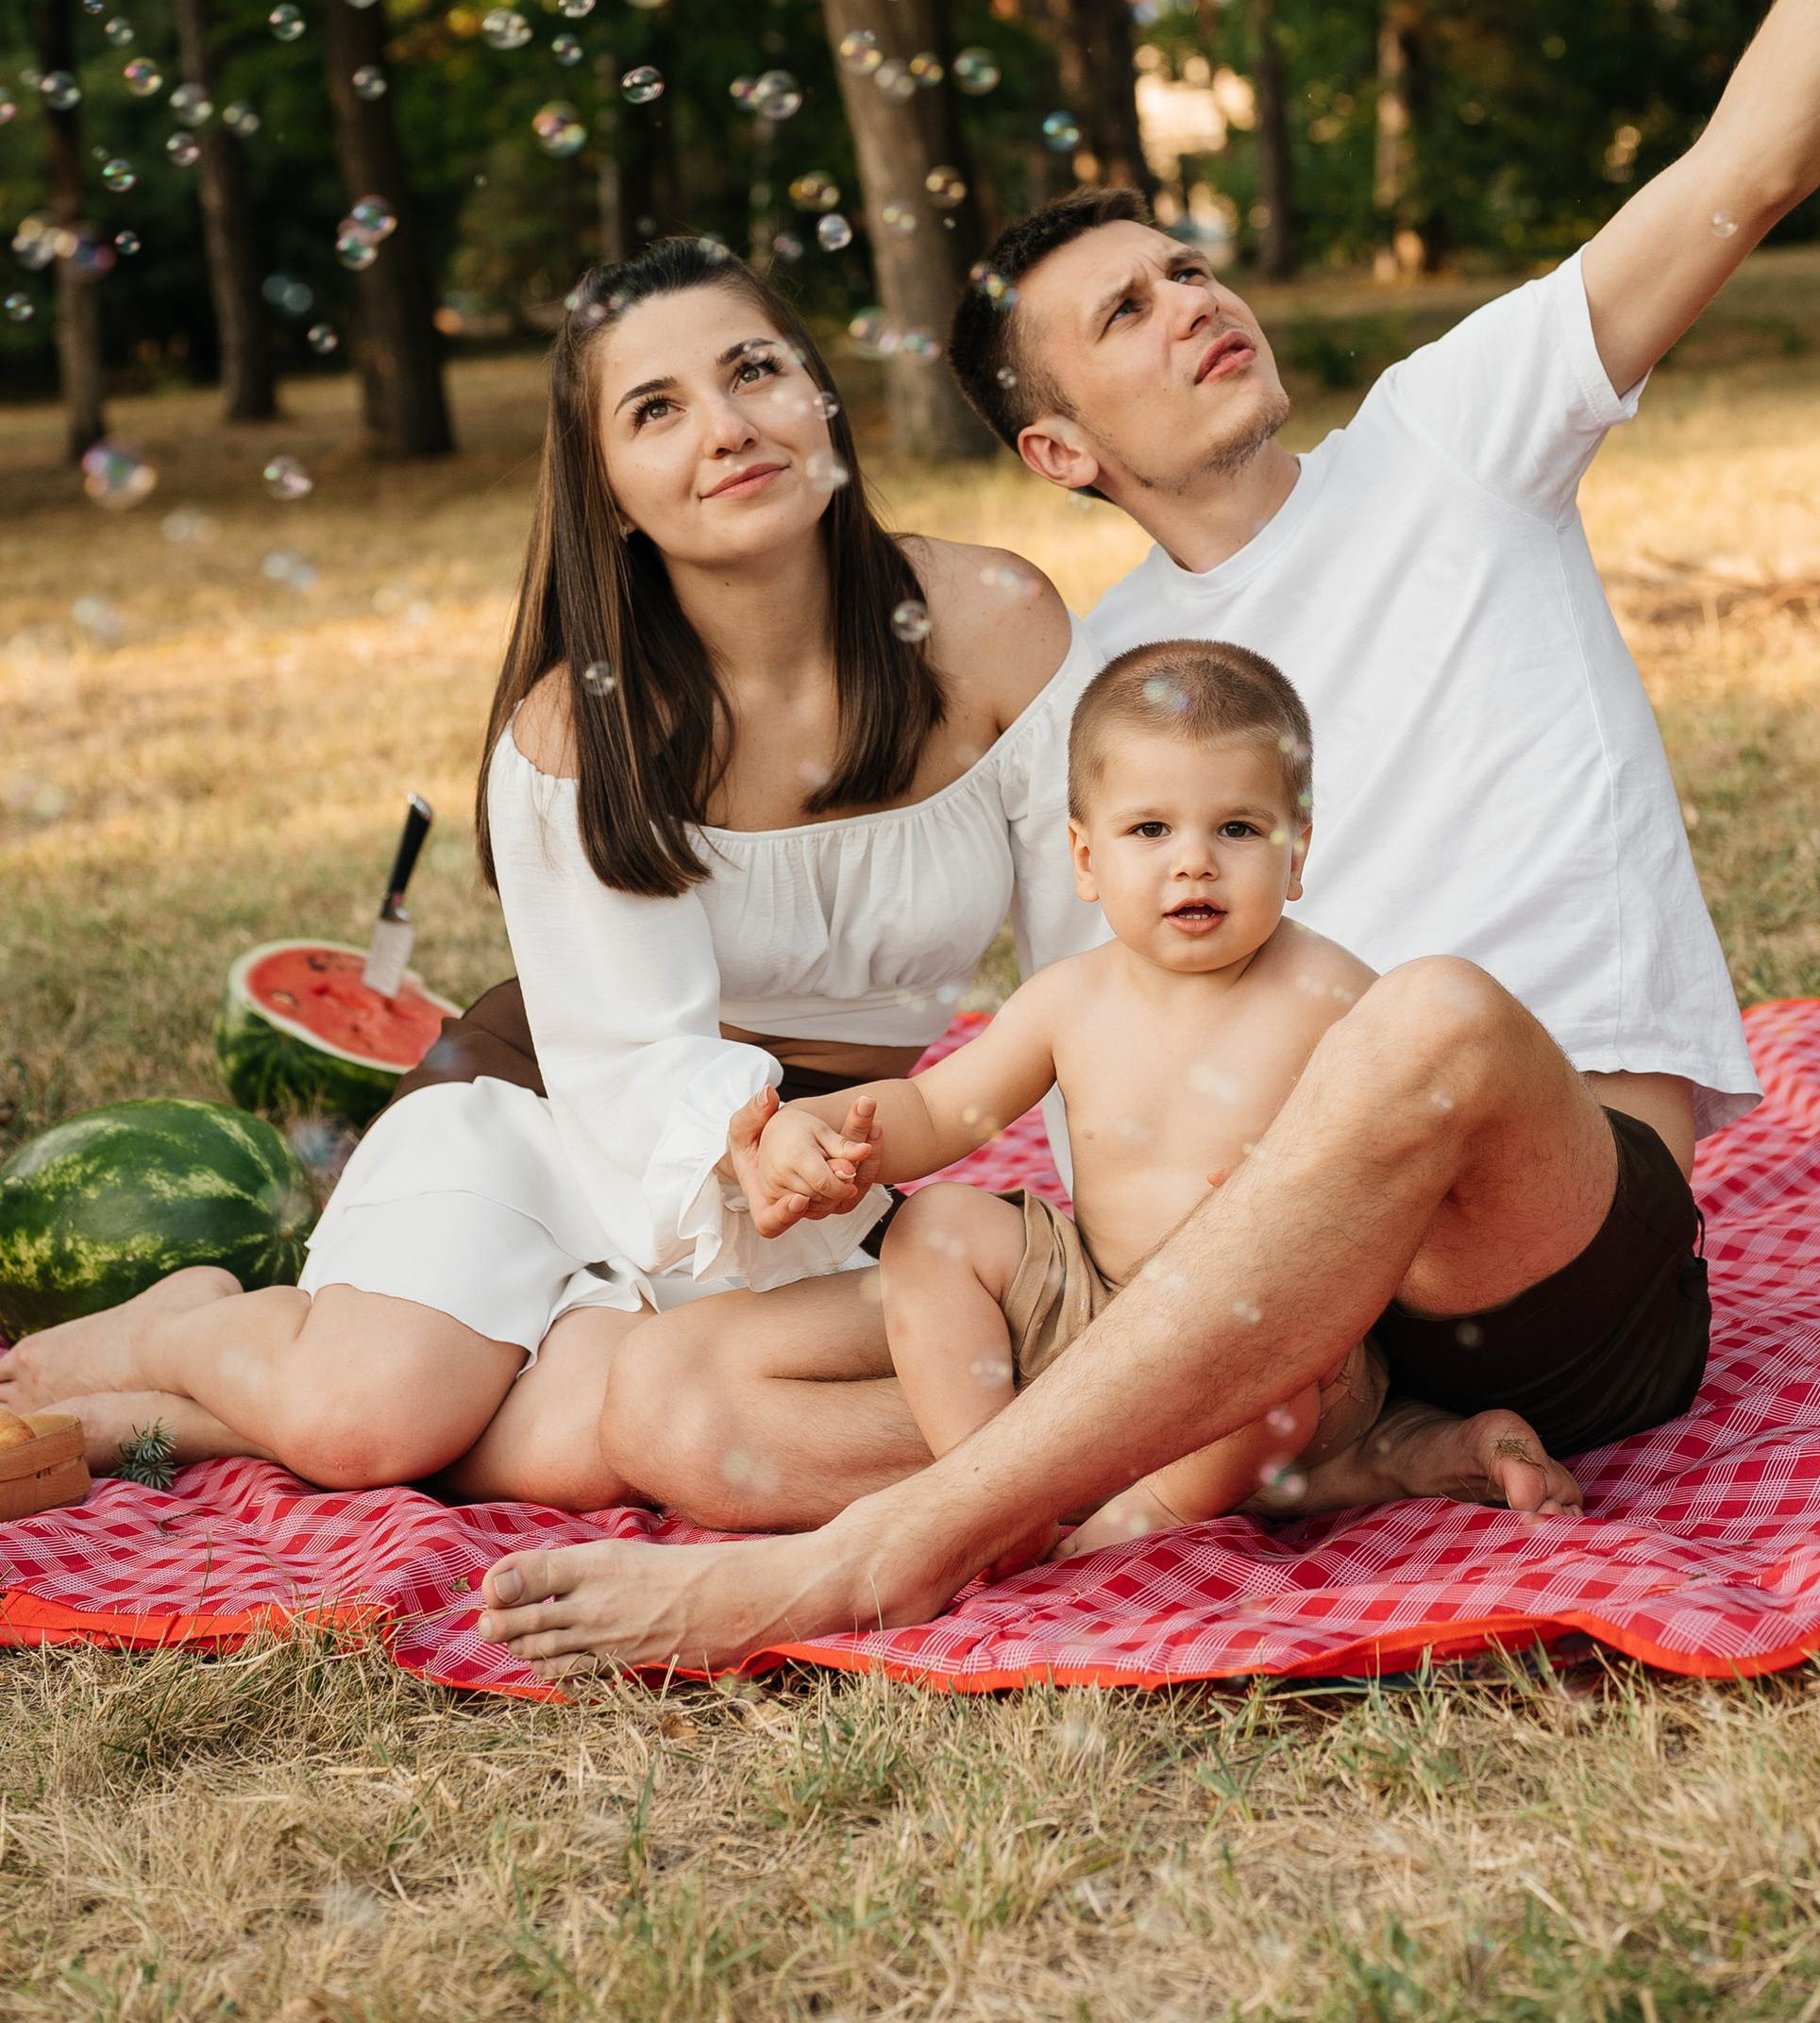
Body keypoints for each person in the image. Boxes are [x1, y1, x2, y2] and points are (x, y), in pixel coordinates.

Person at [473, 0, 1820, 1672]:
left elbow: (1750, 163)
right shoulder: (1100, 684)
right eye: (1122, 311)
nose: (1190, 301)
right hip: (1287, 1303)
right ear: (1054, 446)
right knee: (686, 1393)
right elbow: (1075, 1015)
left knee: (1425, 1012)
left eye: (1188, 265)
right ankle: (1293, 1457)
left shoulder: (1454, 437)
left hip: (1541, 1247)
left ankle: (876, 1557)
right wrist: (854, 1146)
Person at [0, 237, 1092, 1506]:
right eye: (656, 409)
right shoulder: (580, 731)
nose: (727, 427)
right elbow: (634, 1055)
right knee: (366, 1423)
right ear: (609, 491)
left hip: (816, 1172)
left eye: (754, 369)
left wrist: (1137, 1201)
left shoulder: (997, 624)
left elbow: (1103, 962)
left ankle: (205, 1421)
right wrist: (753, 1139)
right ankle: (182, 1327)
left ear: (822, 398)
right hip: (560, 1104)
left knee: (582, 1449)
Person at [748, 640, 1576, 1547]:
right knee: (930, 1226)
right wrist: (818, 1129)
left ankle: (1135, 1521)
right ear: (1085, 857)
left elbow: (1418, 1153)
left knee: (1271, 1370)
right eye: (1150, 830)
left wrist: (1302, 1208)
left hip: (1261, 1342)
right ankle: (985, 1488)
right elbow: (939, 1110)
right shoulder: (1068, 1000)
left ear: (1296, 853)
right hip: (1094, 1319)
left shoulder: (1332, 994)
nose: (1194, 863)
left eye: (1237, 829)